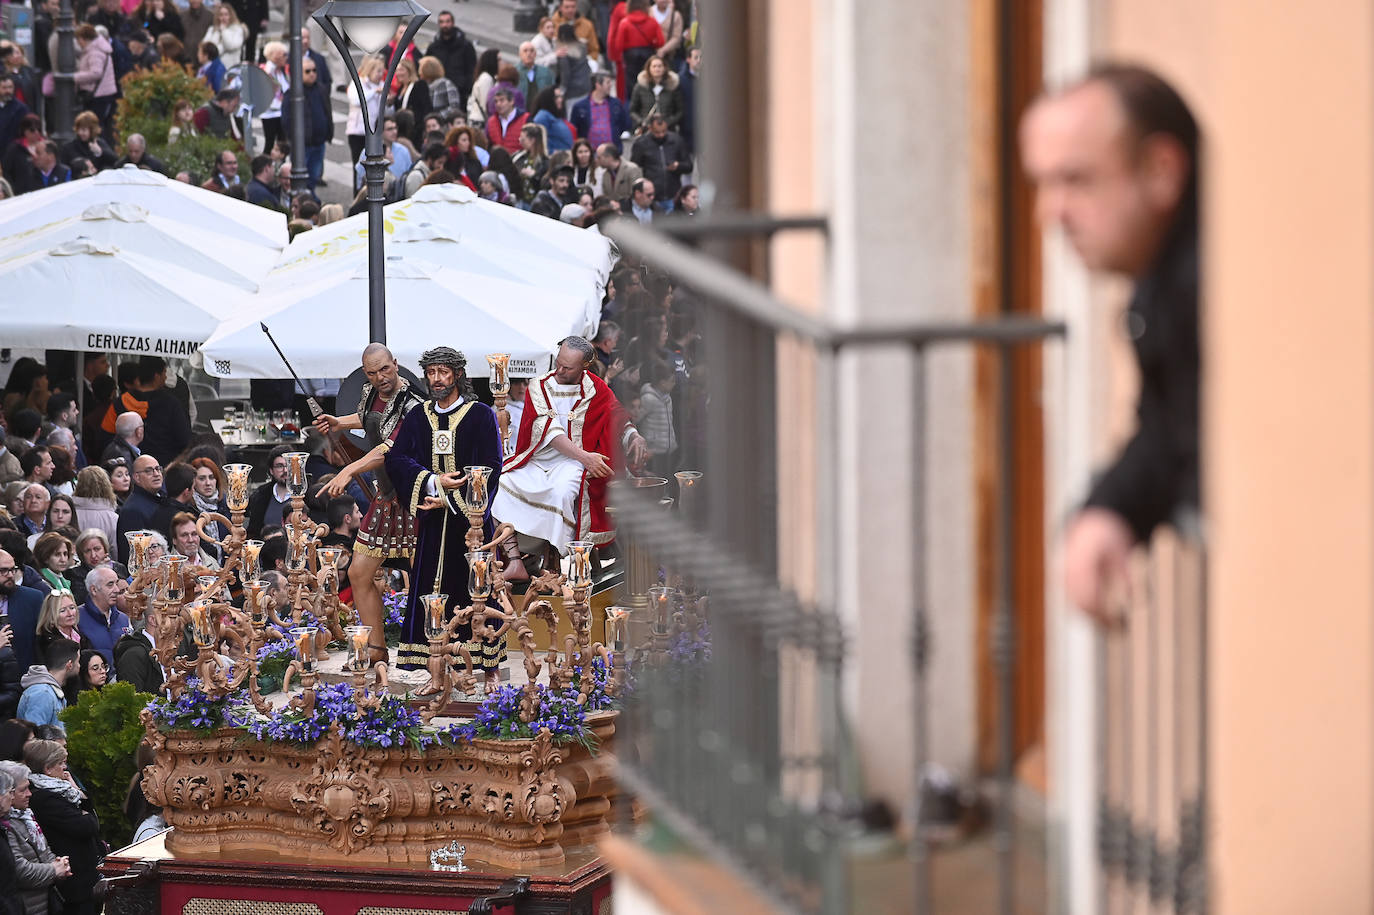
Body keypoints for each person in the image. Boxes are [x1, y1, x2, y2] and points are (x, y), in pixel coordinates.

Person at [1019, 65, 1200, 623]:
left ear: (1162, 171)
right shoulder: (1163, 287)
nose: (1050, 214)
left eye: (1076, 179)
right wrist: (1108, 511)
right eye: (1041, 184)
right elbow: (1167, 432)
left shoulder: (1218, 284)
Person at [384, 347, 503, 682]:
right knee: (430, 591)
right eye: (432, 372)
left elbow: (492, 466)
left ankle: (487, 665)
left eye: (443, 372)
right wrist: (432, 483)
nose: (436, 379)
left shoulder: (480, 415)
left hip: (471, 523)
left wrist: (454, 499)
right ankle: (434, 668)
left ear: (458, 375)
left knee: (477, 590)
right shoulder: (418, 416)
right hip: (433, 524)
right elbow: (397, 459)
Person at [315, 345, 425, 666]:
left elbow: (388, 449)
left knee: (423, 578)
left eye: (385, 370)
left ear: (396, 364)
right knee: (359, 572)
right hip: (386, 497)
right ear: (366, 373)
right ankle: (375, 649)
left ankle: (428, 650)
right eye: (373, 373)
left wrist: (349, 469)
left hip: (414, 497)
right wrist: (338, 422)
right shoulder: (371, 391)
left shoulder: (414, 404)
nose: (380, 378)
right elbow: (366, 417)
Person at [494, 336, 648, 561]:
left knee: (562, 492)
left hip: (573, 463)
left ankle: (556, 559)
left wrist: (634, 436)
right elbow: (548, 430)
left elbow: (616, 417)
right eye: (558, 363)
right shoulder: (539, 385)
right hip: (539, 460)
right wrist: (586, 457)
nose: (559, 370)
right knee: (501, 482)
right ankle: (516, 559)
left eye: (567, 367)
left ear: (584, 366)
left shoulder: (596, 388)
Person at [24, 739, 102, 915]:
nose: (65, 768)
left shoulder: (63, 790)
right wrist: (85, 816)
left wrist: (78, 794)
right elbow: (86, 826)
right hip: (74, 878)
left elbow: (90, 816)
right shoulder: (44, 797)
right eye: (61, 763)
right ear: (48, 769)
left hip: (85, 873)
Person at [0, 759, 74, 915]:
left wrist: (59, 864)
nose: (29, 794)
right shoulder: (7, 825)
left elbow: (43, 851)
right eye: (23, 790)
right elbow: (19, 870)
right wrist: (54, 870)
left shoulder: (26, 816)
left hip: (42, 902)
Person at [281, 55, 332, 191]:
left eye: (314, 70)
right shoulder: (292, 93)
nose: (312, 74)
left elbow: (327, 111)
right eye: (307, 71)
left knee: (313, 177)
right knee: (300, 178)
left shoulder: (320, 89)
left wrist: (328, 132)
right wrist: (295, 138)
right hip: (302, 145)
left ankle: (310, 197)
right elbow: (286, 120)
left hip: (319, 143)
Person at [630, 112, 691, 205]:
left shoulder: (677, 140)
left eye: (664, 131)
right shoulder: (641, 144)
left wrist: (678, 166)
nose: (661, 135)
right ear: (650, 128)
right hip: (652, 197)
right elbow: (634, 168)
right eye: (657, 132)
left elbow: (689, 166)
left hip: (673, 194)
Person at [609, 0, 664, 100]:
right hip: (648, 54)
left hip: (630, 57)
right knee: (648, 81)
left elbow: (618, 45)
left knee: (631, 86)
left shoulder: (625, 23)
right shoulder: (652, 21)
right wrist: (651, 44)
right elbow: (660, 42)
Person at [17, 642, 77, 731]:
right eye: (78, 661)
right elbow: (35, 737)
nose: (80, 666)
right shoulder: (42, 694)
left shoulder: (49, 691)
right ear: (70, 665)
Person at [115, 455, 163, 564]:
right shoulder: (132, 510)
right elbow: (133, 555)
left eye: (158, 469)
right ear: (137, 477)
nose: (156, 474)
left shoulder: (158, 499)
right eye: (149, 471)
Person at [73, 25, 119, 140]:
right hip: (102, 92)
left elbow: (95, 73)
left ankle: (99, 148)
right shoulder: (97, 49)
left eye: (79, 40)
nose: (78, 43)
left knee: (96, 125)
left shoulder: (95, 52)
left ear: (84, 38)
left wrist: (75, 77)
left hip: (98, 94)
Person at [0, 550, 42, 671]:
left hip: (27, 678)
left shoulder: (33, 598)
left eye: (13, 569)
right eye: (3, 570)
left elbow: (42, 644)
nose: (10, 575)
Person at [78, 566, 129, 667]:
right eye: (110, 584)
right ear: (94, 590)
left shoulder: (123, 619)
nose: (117, 589)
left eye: (116, 583)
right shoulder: (77, 618)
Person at [572, 73, 630, 156]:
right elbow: (575, 129)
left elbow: (623, 124)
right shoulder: (580, 106)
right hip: (590, 154)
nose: (611, 85)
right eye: (608, 82)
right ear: (598, 85)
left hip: (612, 152)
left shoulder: (616, 104)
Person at [425, 12, 475, 108]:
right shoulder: (434, 47)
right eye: (442, 22)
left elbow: (471, 69)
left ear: (453, 23)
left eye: (447, 21)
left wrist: (466, 88)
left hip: (460, 93)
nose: (445, 25)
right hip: (437, 92)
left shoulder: (465, 46)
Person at [32, 589, 85, 671]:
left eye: (72, 608)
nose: (70, 614)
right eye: (62, 610)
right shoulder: (47, 643)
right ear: (51, 615)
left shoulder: (81, 636)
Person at [629, 55, 682, 134]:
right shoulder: (640, 87)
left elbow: (680, 110)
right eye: (654, 66)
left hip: (668, 130)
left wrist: (668, 122)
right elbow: (632, 110)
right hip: (647, 130)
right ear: (649, 68)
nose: (657, 69)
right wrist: (642, 121)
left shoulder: (672, 86)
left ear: (664, 68)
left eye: (660, 66)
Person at [485, 88, 529, 156]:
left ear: (511, 101)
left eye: (502, 100)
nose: (498, 104)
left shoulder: (525, 119)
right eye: (496, 101)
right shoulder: (491, 122)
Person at [466, 48, 500, 125]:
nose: (501, 62)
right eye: (498, 60)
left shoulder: (487, 77)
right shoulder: (486, 79)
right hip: (479, 120)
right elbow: (485, 103)